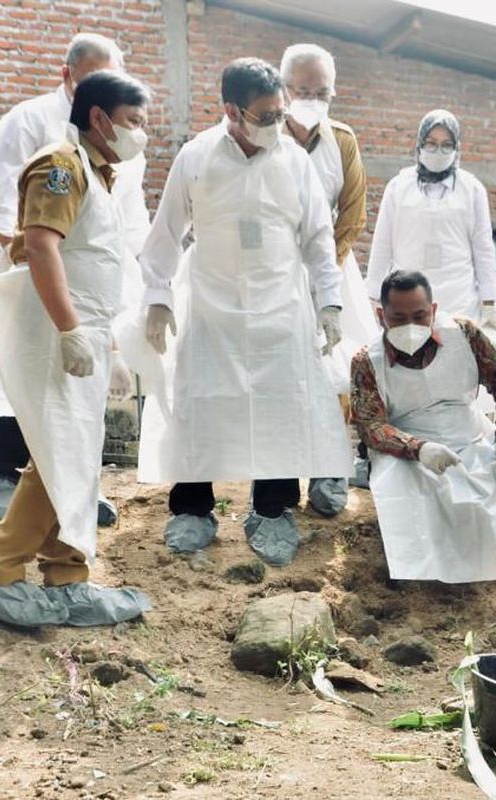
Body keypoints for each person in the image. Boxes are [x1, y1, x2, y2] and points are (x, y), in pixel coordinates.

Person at [137, 57, 350, 565]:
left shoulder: (295, 161)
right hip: (212, 304)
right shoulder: (196, 157)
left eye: (280, 112)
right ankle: (192, 508)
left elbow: (319, 241)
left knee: (280, 407)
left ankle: (272, 510)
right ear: (231, 111)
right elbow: (164, 236)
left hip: (280, 305)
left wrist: (331, 305)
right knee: (201, 404)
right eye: (267, 115)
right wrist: (158, 301)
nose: (279, 123)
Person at [0, 71, 153, 627]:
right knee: (58, 455)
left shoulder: (99, 174)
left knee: (72, 455)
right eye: (134, 122)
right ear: (99, 118)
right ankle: (1, 575)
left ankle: (67, 572)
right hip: (58, 333)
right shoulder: (62, 165)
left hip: (85, 332)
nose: (140, 134)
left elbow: (93, 262)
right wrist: (71, 329)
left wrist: (110, 344)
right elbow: (43, 249)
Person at [351, 270, 496, 585]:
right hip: (407, 444)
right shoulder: (367, 361)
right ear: (380, 315)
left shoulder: (464, 335)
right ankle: (422, 577)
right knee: (407, 487)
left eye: (420, 315)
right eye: (398, 318)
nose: (410, 326)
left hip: (468, 432)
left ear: (434, 310)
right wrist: (418, 448)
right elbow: (371, 424)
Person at [280, 42, 374, 517]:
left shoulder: (342, 140)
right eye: (301, 90)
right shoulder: (265, 135)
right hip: (274, 275)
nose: (311, 99)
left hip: (332, 272)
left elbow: (353, 213)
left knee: (337, 373)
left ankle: (329, 471)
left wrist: (324, 271)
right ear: (283, 89)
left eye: (322, 92)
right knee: (284, 375)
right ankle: (280, 477)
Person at [364, 110, 496, 340]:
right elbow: (382, 244)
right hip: (407, 300)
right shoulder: (398, 186)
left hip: (459, 298)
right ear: (419, 145)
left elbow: (483, 249)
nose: (438, 151)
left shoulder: (472, 189)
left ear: (456, 148)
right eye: (431, 144)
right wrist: (373, 296)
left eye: (446, 145)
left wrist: (489, 301)